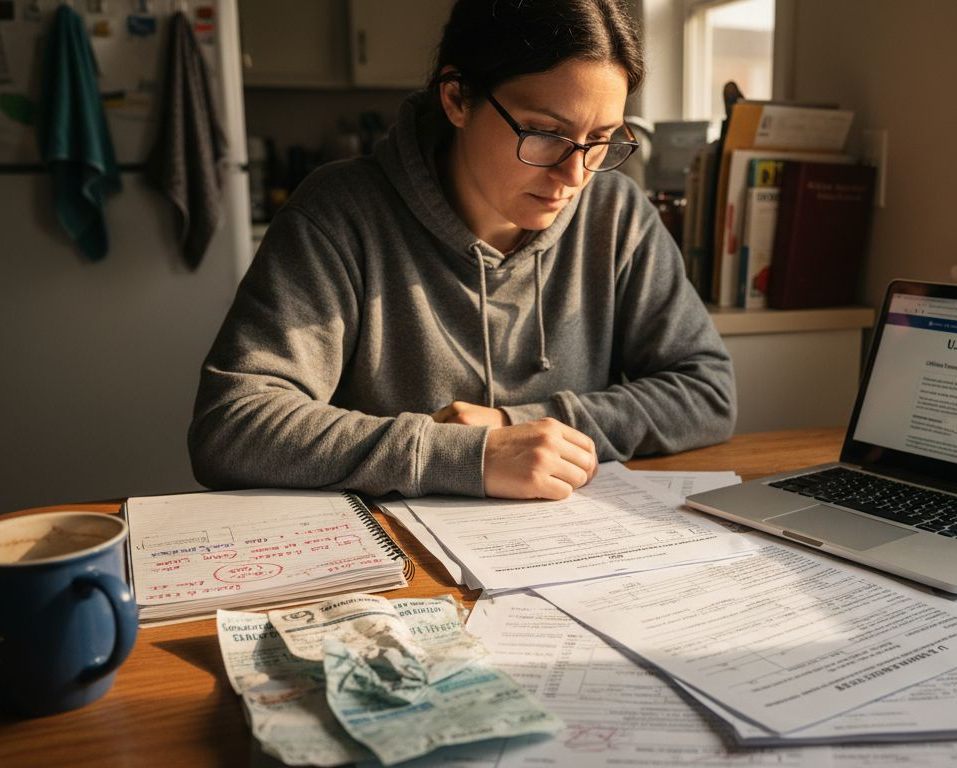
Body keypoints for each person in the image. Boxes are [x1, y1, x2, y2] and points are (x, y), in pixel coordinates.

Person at [188, 0, 735, 501]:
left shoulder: (617, 213)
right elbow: (233, 426)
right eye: (545, 132)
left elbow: (707, 392)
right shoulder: (338, 214)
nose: (575, 175)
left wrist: (513, 426)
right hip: (396, 574)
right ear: (457, 98)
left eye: (601, 139)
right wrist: (458, 455)